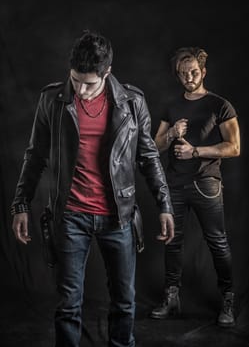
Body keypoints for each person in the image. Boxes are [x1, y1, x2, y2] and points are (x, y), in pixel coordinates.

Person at [11, 30, 174, 347]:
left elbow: (149, 156)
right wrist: (20, 204)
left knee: (124, 302)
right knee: (69, 305)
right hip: (70, 216)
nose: (81, 91)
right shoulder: (52, 100)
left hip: (119, 217)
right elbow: (35, 156)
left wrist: (164, 205)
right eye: (75, 80)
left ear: (108, 72)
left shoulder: (132, 102)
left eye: (90, 83)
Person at [149, 47, 240, 327]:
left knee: (217, 242)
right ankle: (172, 298)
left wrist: (196, 152)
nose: (189, 77)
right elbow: (154, 147)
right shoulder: (171, 107)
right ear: (177, 75)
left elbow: (234, 147)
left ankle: (227, 298)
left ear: (203, 72)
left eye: (194, 72)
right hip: (174, 185)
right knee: (172, 243)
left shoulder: (220, 105)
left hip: (206, 185)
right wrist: (173, 133)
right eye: (183, 73)